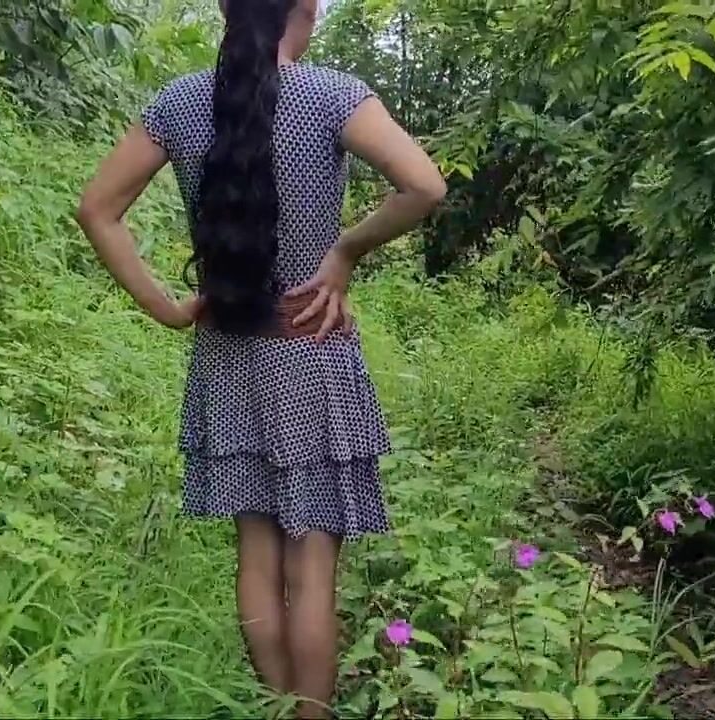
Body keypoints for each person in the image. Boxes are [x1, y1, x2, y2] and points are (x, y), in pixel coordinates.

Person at [75, 0, 445, 715]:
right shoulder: (333, 95)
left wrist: (167, 307)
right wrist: (344, 252)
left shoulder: (181, 102)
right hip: (311, 354)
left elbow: (97, 208)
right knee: (312, 572)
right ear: (308, 7)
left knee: (256, 558)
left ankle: (277, 709)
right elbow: (425, 186)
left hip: (227, 359)